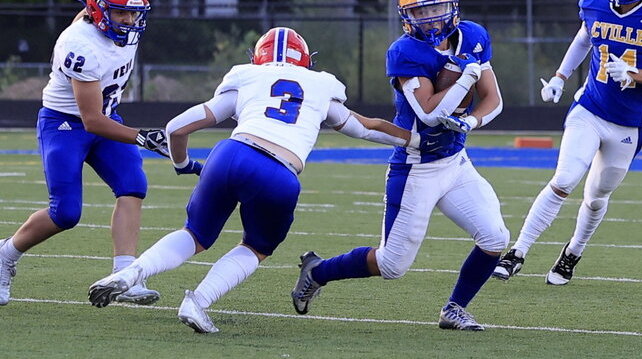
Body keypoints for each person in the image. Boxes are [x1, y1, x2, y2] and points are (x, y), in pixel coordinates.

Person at [87, 26, 433, 334]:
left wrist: (182, 163)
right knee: (255, 247)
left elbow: (177, 127)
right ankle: (198, 301)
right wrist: (415, 140)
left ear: (257, 58)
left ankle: (130, 273)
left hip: (230, 154)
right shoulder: (320, 85)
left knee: (193, 234)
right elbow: (367, 127)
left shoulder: (247, 78)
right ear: (306, 61)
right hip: (278, 173)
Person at [290, 0, 509, 331]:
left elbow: (494, 99)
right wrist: (465, 77)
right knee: (392, 265)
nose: (430, 18)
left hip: (455, 161)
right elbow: (430, 112)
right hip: (416, 167)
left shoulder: (473, 35)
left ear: (452, 6)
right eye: (420, 12)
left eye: (436, 8)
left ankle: (454, 308)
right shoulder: (405, 52)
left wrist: (472, 123)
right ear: (406, 16)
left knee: (495, 237)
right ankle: (318, 270)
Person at [493, 0, 642, 285]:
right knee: (564, 180)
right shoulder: (595, 1)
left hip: (627, 124)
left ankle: (572, 253)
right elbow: (585, 38)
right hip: (590, 108)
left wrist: (633, 73)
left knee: (596, 197)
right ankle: (517, 252)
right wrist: (560, 76)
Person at [0, 0, 169, 307]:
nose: (128, 21)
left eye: (134, 13)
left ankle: (124, 276)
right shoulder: (80, 45)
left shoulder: (120, 29)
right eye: (120, 11)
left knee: (133, 185)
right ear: (98, 8)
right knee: (65, 213)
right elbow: (91, 121)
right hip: (66, 124)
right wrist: (141, 137)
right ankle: (5, 256)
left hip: (104, 116)